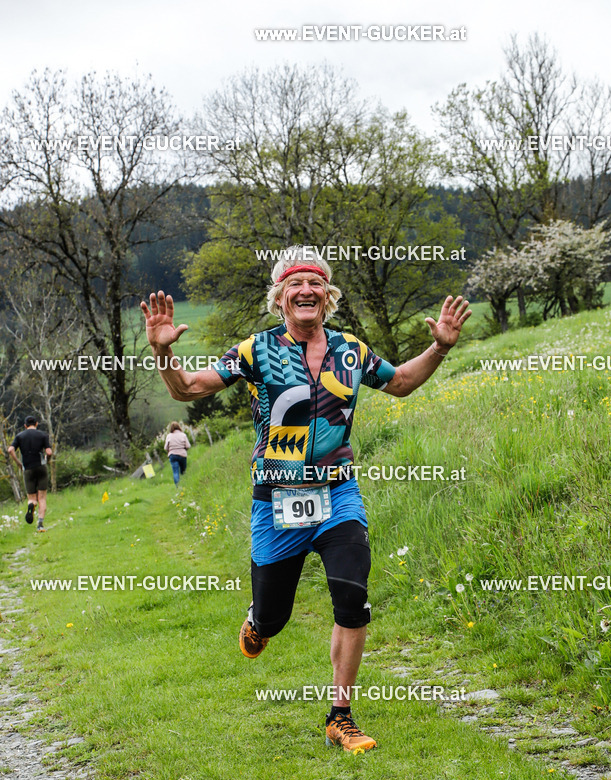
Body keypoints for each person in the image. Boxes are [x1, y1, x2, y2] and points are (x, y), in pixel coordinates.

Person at [141, 247, 470, 751]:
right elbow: (186, 389)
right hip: (277, 498)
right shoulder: (255, 351)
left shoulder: (351, 351)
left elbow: (401, 382)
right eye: (295, 285)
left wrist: (441, 348)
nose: (306, 292)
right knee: (274, 617)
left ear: (327, 295)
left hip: (338, 494)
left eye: (315, 284)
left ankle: (340, 716)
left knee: (352, 597)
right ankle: (259, 620)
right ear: (280, 298)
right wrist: (164, 352)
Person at [8, 415, 52, 533]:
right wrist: (47, 461)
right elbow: (49, 451)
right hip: (41, 467)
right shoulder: (43, 435)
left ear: (25, 425)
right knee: (42, 498)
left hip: (27, 468)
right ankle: (40, 525)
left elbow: (10, 450)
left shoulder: (19, 436)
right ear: (36, 424)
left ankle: (31, 505)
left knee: (32, 498)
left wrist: (18, 463)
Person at [164, 421, 191, 487]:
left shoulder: (169, 436)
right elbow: (188, 446)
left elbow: (165, 447)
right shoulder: (183, 435)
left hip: (173, 455)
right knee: (183, 471)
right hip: (182, 455)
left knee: (175, 472)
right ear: (179, 427)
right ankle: (184, 484)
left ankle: (178, 487)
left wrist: (170, 450)